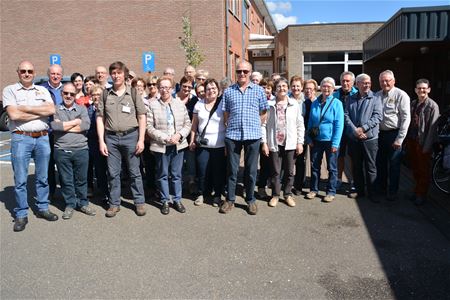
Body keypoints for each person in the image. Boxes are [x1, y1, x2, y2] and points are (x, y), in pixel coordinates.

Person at [3, 61, 58, 232]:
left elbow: (51, 110)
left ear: (34, 73)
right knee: (20, 180)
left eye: (30, 71)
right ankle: (21, 214)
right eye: (23, 71)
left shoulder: (42, 90)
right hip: (21, 139)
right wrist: (37, 111)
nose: (27, 73)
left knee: (42, 177)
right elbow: (13, 114)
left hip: (42, 138)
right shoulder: (9, 90)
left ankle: (42, 207)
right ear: (18, 72)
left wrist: (24, 109)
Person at [96, 61, 147, 217]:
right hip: (111, 138)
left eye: (119, 72)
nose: (116, 75)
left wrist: (141, 139)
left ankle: (139, 202)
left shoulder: (133, 93)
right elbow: (100, 118)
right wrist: (101, 141)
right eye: (113, 73)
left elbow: (142, 117)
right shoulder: (105, 94)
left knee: (134, 172)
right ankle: (114, 203)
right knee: (113, 173)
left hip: (131, 137)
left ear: (124, 74)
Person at [220, 60, 268, 215]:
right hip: (233, 135)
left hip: (253, 136)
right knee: (232, 170)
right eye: (239, 71)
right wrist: (231, 124)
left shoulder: (259, 91)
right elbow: (226, 112)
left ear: (250, 72)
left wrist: (254, 125)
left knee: (251, 170)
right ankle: (230, 199)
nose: (242, 74)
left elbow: (263, 112)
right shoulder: (228, 91)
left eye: (245, 72)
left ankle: (250, 199)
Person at [147, 75, 192, 215]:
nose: (164, 90)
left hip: (178, 144)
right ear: (158, 89)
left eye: (167, 87)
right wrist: (165, 138)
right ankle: (165, 200)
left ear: (172, 89)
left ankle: (177, 199)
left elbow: (188, 123)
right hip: (162, 145)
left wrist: (179, 135)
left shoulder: (179, 104)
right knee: (163, 174)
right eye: (162, 87)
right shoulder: (152, 105)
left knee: (176, 174)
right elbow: (149, 127)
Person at [51, 83, 96, 219]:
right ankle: (70, 204)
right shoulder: (56, 109)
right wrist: (75, 122)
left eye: (71, 94)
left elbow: (86, 125)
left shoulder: (82, 109)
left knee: (81, 179)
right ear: (61, 94)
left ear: (75, 95)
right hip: (62, 150)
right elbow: (54, 126)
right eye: (66, 93)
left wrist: (64, 126)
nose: (68, 96)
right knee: (66, 180)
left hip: (81, 149)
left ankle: (82, 203)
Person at [261, 77, 304, 207]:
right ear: (275, 89)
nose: (282, 89)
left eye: (284, 86)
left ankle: (287, 194)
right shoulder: (269, 105)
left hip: (290, 143)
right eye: (279, 86)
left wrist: (300, 142)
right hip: (274, 143)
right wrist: (264, 142)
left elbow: (299, 124)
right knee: (275, 171)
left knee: (290, 171)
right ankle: (275, 195)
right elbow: (263, 125)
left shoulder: (294, 104)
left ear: (288, 88)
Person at [344, 73, 382, 202]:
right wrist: (355, 130)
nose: (367, 85)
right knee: (357, 166)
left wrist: (364, 128)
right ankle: (360, 191)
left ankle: (373, 193)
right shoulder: (350, 98)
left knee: (371, 167)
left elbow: (377, 116)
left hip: (370, 138)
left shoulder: (375, 98)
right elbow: (346, 115)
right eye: (364, 83)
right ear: (357, 84)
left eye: (369, 83)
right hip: (354, 138)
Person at [305, 77, 344, 203]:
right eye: (324, 86)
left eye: (329, 86)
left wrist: (335, 143)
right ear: (320, 88)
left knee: (332, 168)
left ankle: (331, 191)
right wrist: (309, 138)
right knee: (315, 166)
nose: (326, 88)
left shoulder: (337, 103)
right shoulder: (316, 102)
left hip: (330, 141)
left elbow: (339, 125)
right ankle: (314, 189)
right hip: (316, 140)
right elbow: (311, 121)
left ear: (333, 89)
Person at [189, 79, 226, 207]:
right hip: (202, 145)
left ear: (218, 90)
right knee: (203, 171)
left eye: (213, 88)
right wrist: (192, 140)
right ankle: (202, 193)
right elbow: (194, 125)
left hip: (220, 145)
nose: (211, 91)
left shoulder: (223, 104)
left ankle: (217, 196)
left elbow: (227, 123)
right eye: (208, 89)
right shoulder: (199, 104)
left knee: (217, 171)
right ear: (204, 91)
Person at [375, 70, 411, 201]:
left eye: (387, 80)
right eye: (382, 81)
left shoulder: (401, 95)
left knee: (394, 165)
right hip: (379, 135)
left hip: (394, 134)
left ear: (393, 81)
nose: (385, 83)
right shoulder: (377, 95)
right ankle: (382, 188)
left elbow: (406, 119)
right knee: (380, 163)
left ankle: (393, 191)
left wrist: (400, 139)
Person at [406, 79, 440, 205]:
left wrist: (427, 146)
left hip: (423, 142)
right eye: (419, 88)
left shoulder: (432, 106)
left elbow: (432, 129)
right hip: (412, 140)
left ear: (429, 89)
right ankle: (416, 191)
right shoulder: (414, 103)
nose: (421, 90)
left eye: (424, 88)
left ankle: (421, 194)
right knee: (415, 168)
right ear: (415, 90)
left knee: (423, 169)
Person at [41, 64, 64, 200]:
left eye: (58, 74)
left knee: (63, 163)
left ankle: (65, 191)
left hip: (62, 133)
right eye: (53, 74)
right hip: (47, 132)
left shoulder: (67, 89)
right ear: (48, 74)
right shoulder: (41, 89)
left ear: (61, 75)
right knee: (48, 164)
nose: (55, 76)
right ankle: (50, 191)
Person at [333, 71, 358, 192]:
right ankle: (338, 179)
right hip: (339, 131)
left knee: (353, 156)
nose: (345, 83)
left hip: (352, 131)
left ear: (353, 82)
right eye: (343, 81)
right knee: (339, 156)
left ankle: (353, 180)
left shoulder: (358, 94)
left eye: (348, 81)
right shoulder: (335, 95)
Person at [175, 75, 199, 195]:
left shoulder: (194, 100)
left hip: (189, 136)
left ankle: (191, 182)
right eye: (185, 86)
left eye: (190, 87)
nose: (187, 89)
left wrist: (193, 139)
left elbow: (195, 120)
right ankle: (177, 184)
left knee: (190, 162)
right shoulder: (173, 98)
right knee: (176, 163)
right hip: (175, 136)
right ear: (180, 85)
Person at [256, 78, 275, 199]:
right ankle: (252, 185)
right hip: (253, 135)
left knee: (266, 163)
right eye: (263, 87)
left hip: (267, 137)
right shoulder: (255, 98)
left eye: (268, 87)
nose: (265, 90)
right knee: (252, 163)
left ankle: (264, 187)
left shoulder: (274, 101)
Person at [289, 75, 306, 195]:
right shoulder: (286, 98)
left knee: (300, 161)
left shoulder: (306, 101)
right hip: (288, 135)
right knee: (287, 162)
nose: (296, 88)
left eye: (298, 86)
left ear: (302, 87)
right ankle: (286, 185)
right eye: (294, 86)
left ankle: (299, 185)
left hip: (301, 135)